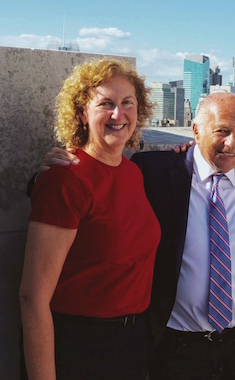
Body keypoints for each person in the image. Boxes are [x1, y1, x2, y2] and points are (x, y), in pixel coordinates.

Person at [30, 92, 235, 380]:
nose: (232, 143)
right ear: (196, 130)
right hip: (172, 348)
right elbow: (102, 180)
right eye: (221, 131)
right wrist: (45, 175)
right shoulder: (154, 171)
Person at [19, 58, 160, 380]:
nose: (118, 114)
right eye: (105, 104)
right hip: (79, 347)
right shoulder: (67, 177)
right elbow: (31, 298)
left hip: (131, 342)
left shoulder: (133, 172)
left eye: (127, 103)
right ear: (82, 112)